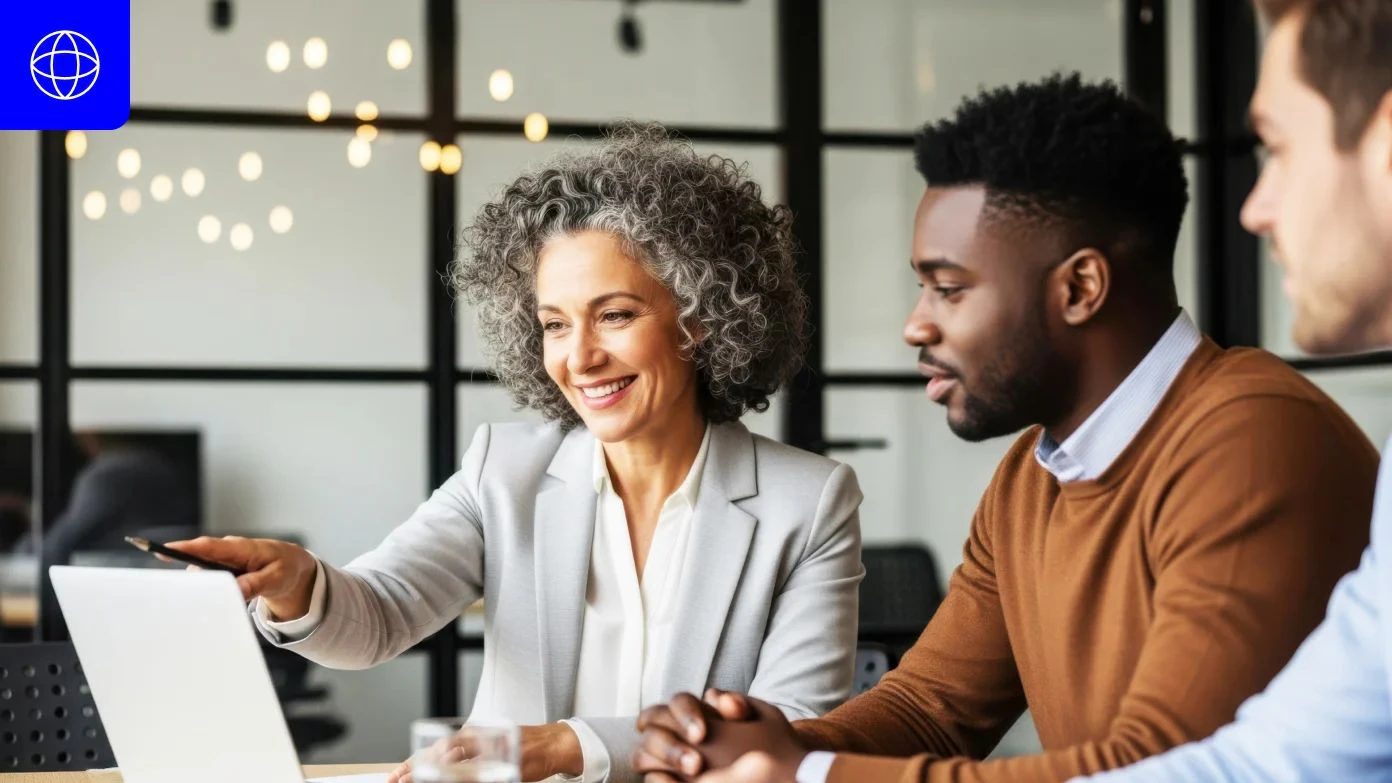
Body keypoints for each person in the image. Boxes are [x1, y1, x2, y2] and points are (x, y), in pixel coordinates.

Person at [631, 74, 1380, 783]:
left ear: (1080, 287)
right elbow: (929, 709)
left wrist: (806, 772)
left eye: (949, 289)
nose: (915, 323)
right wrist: (754, 744)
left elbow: (1155, 764)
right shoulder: (1033, 473)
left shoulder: (1251, 439)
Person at [167, 123, 864, 783]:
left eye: (615, 314)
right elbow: (379, 613)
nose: (581, 357)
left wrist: (568, 744)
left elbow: (798, 728)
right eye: (554, 324)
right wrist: (300, 585)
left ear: (700, 317)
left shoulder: (807, 503)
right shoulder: (504, 470)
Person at [1073, 2, 1392, 780]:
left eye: (1276, 149)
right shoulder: (1026, 474)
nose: (1255, 208)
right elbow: (1283, 760)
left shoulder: (1251, 428)